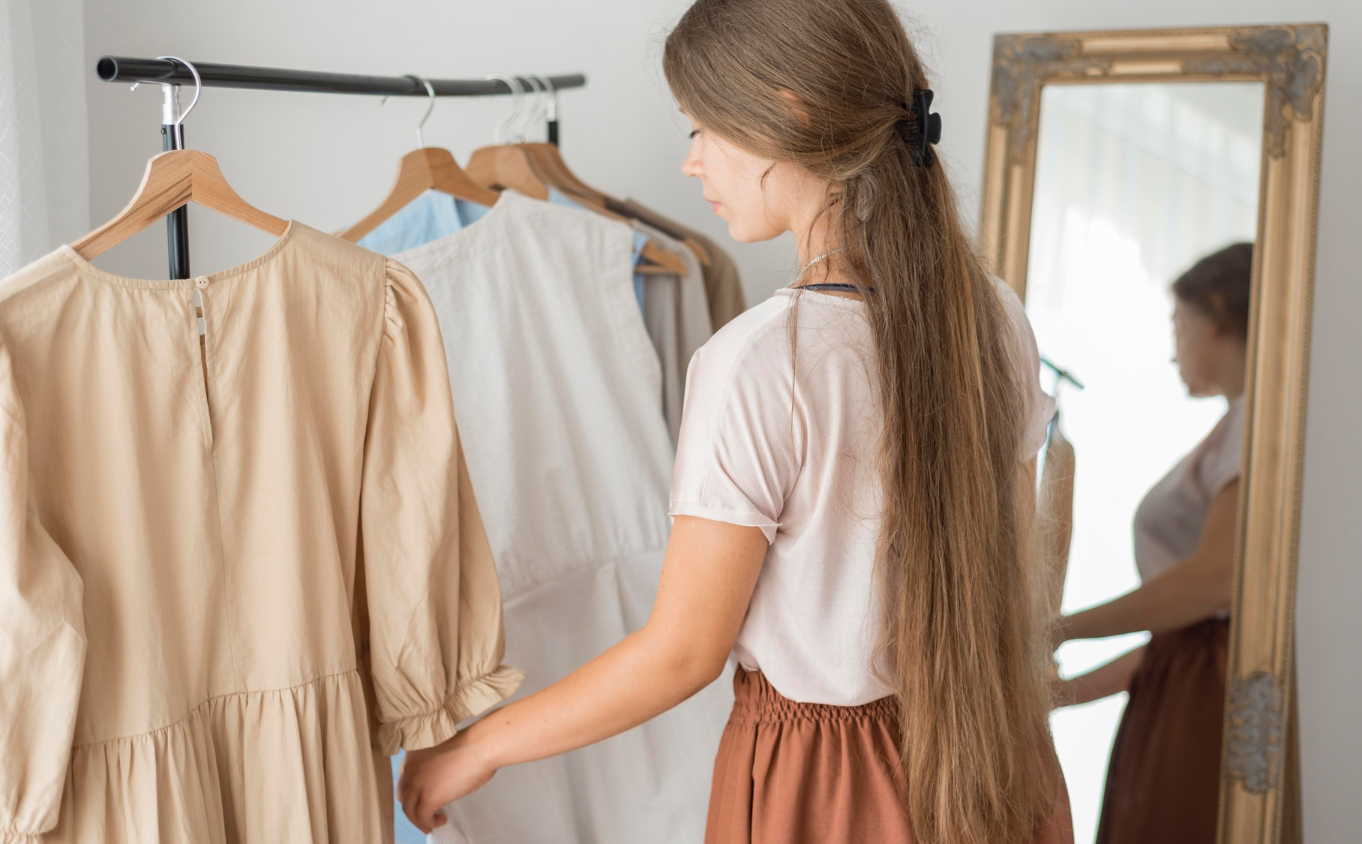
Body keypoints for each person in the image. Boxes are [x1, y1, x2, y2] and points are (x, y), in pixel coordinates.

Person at [398, 1, 1072, 841]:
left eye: (700, 131)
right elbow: (1008, 575)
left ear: (784, 115)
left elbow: (680, 654)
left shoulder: (760, 361)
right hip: (994, 753)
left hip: (824, 789)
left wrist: (477, 748)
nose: (689, 165)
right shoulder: (995, 317)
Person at [1051, 242, 1254, 844]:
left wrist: (1057, 629)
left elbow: (1212, 587)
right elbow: (1178, 638)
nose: (1173, 350)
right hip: (1177, 687)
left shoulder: (1252, 425)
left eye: (1178, 325)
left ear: (1215, 316)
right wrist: (1062, 693)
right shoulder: (1232, 428)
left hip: (1199, 701)